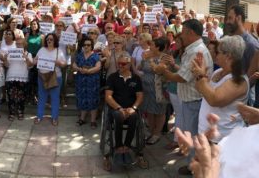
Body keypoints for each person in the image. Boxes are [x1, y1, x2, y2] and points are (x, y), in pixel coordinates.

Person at [154, 19, 213, 176]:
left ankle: (194, 167)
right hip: (191, 100)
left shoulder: (196, 50)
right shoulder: (194, 48)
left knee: (193, 136)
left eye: (184, 31)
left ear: (191, 33)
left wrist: (163, 71)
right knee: (191, 134)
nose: (182, 34)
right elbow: (186, 73)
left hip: (194, 101)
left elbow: (182, 78)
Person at [191, 35, 248, 142]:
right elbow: (201, 90)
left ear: (228, 56)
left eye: (218, 52)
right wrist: (198, 74)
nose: (214, 54)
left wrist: (201, 76)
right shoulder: (218, 71)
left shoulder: (239, 80)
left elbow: (214, 100)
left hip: (222, 138)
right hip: (207, 133)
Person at [105, 55, 143, 154]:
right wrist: (119, 108)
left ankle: (127, 144)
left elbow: (140, 96)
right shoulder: (112, 77)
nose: (120, 66)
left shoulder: (136, 78)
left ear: (129, 64)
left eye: (123, 64)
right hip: (116, 108)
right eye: (119, 64)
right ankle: (118, 145)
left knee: (134, 116)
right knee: (119, 116)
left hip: (131, 107)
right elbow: (108, 96)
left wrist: (133, 108)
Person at [34, 33, 66, 126]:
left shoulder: (58, 51)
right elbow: (35, 60)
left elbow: (64, 64)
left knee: (55, 98)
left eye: (51, 39)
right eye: (47, 39)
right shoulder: (42, 50)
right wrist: (36, 60)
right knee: (42, 97)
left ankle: (54, 118)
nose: (49, 41)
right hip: (42, 77)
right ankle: (39, 116)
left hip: (55, 77)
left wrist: (58, 62)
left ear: (55, 40)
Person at [73, 37, 101, 129]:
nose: (86, 46)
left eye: (88, 45)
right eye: (84, 45)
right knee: (82, 99)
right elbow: (74, 64)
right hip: (81, 81)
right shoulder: (80, 55)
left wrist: (89, 71)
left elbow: (98, 67)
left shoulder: (96, 55)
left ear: (91, 46)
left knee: (93, 100)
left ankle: (93, 121)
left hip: (92, 82)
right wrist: (79, 69)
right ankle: (82, 118)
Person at [2, 38, 33, 121]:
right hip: (11, 76)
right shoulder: (11, 53)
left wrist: (26, 58)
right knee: (11, 97)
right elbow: (7, 65)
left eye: (20, 44)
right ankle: (11, 113)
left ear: (24, 45)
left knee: (21, 97)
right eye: (17, 44)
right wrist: (5, 59)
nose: (18, 45)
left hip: (22, 77)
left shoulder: (28, 54)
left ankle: (20, 112)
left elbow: (30, 65)